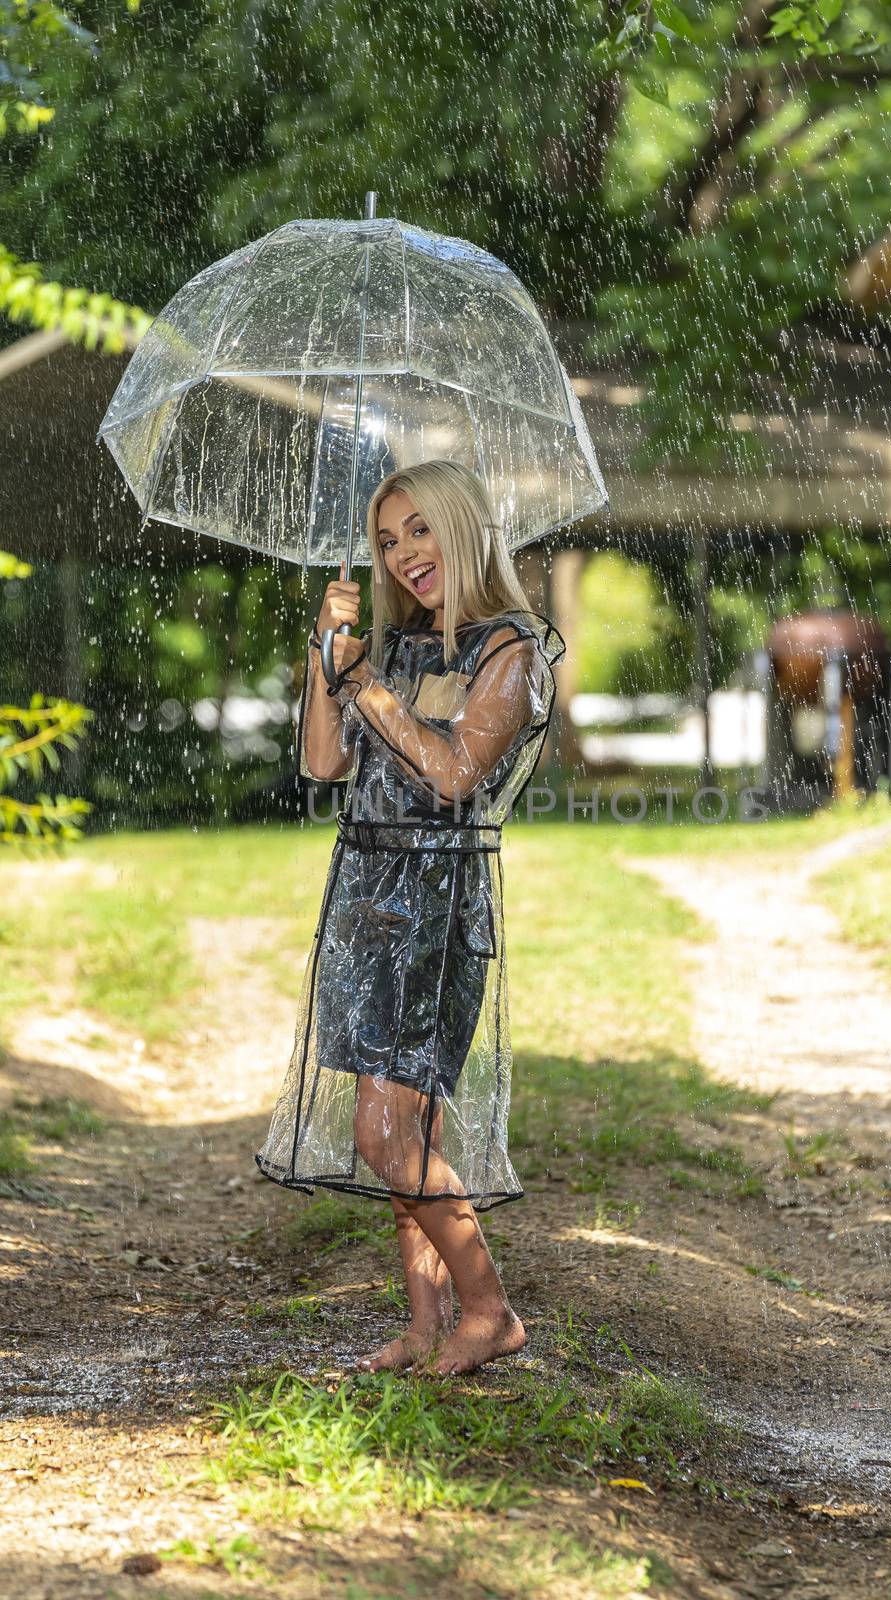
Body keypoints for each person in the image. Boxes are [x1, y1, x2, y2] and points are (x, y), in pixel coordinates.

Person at [255, 459, 565, 1377]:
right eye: (388, 541)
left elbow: (454, 772)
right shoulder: (389, 650)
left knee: (384, 1136)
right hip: (365, 896)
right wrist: (329, 658)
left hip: (435, 904)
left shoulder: (511, 650)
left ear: (461, 527)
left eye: (420, 530)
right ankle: (427, 1323)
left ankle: (490, 1310)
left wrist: (368, 688)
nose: (404, 555)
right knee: (404, 1130)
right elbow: (321, 762)